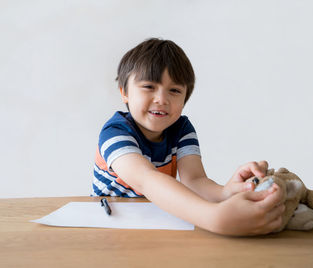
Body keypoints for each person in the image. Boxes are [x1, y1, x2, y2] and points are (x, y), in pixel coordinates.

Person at [92, 38, 285, 236]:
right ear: (124, 93)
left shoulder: (181, 128)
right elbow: (146, 180)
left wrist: (225, 193)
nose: (161, 99)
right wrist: (214, 217)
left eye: (174, 90)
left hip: (156, 224)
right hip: (109, 225)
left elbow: (195, 180)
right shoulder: (115, 132)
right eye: (149, 87)